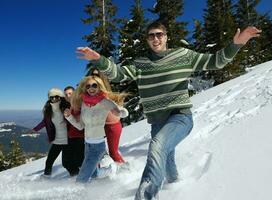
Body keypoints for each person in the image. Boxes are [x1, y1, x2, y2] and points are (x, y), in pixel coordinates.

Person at [76, 21, 262, 199]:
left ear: (166, 37)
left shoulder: (183, 56)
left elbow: (215, 62)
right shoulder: (141, 64)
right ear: (147, 40)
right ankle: (175, 184)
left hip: (180, 117)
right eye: (151, 36)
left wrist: (236, 44)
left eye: (159, 35)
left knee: (156, 147)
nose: (155, 39)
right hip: (157, 121)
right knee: (166, 159)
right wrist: (99, 60)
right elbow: (118, 74)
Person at [63, 76, 128, 183]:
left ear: (99, 86)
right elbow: (81, 126)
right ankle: (105, 177)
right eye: (88, 86)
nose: (91, 88)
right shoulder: (84, 103)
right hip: (87, 144)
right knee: (93, 174)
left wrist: (121, 112)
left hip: (97, 146)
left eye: (94, 85)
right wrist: (69, 117)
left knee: (81, 178)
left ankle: (76, 195)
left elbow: (119, 110)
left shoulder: (104, 102)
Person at [87, 67, 127, 164]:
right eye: (92, 75)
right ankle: (98, 175)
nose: (94, 77)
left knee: (113, 153)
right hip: (100, 127)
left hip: (113, 126)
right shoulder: (90, 94)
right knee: (96, 153)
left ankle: (126, 171)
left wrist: (121, 111)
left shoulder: (106, 93)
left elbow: (120, 108)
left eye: (96, 75)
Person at [30, 88, 71, 176]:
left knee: (67, 164)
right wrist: (35, 129)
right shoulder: (49, 109)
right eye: (51, 97)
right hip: (57, 140)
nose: (54, 99)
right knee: (49, 161)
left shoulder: (66, 107)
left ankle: (75, 177)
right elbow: (45, 122)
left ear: (60, 97)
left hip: (68, 141)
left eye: (56, 96)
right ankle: (46, 179)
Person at [62, 86, 85, 176]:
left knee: (79, 161)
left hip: (80, 138)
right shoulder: (70, 106)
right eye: (66, 95)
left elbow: (80, 126)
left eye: (70, 93)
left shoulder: (80, 105)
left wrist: (68, 116)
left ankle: (86, 179)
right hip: (70, 137)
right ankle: (76, 177)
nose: (68, 96)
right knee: (66, 163)